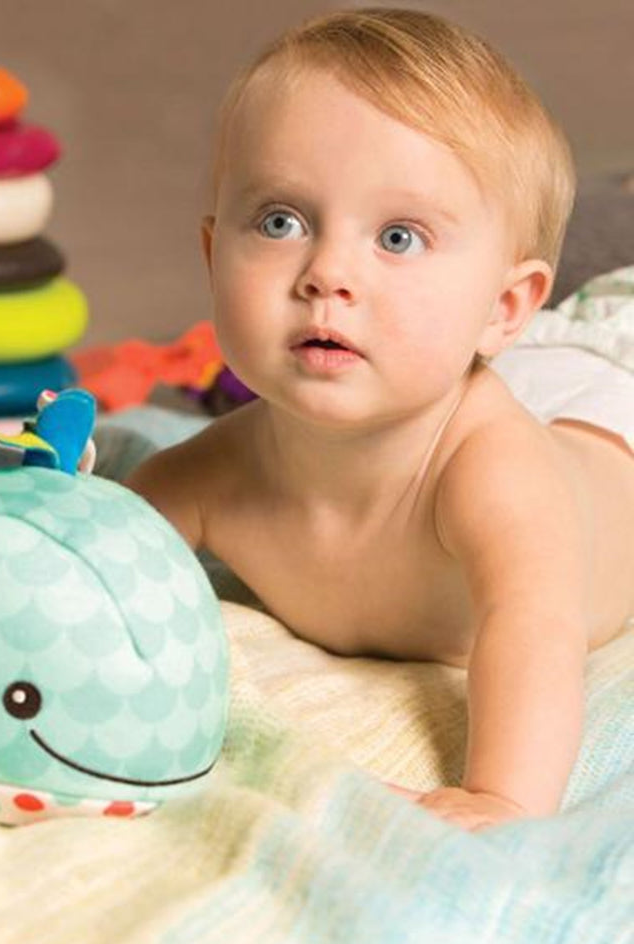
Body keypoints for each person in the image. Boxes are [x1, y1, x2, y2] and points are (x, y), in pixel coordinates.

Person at [125, 7, 634, 831]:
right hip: (502, 368)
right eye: (282, 221)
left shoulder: (491, 473)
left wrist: (501, 796)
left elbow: (537, 624)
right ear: (213, 256)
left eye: (398, 237)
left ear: (504, 308)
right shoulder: (209, 475)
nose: (327, 273)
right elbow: (95, 564)